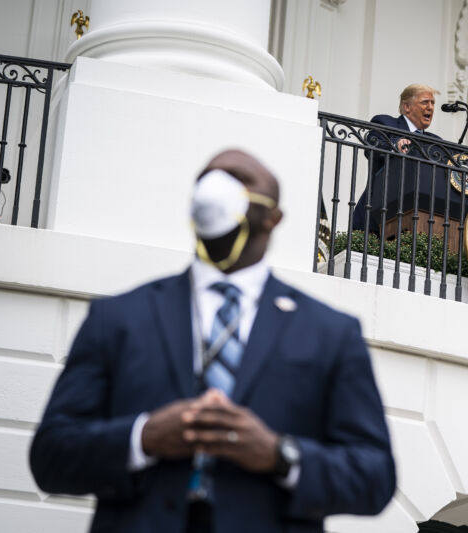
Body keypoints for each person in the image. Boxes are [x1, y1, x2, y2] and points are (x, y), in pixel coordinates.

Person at [29, 149, 396, 533]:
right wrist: (143, 437)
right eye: (209, 177)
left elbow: (375, 476)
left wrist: (279, 454)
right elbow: (50, 457)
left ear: (274, 218)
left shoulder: (331, 333)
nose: (218, 183)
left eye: (240, 180)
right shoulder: (117, 318)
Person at [352, 84, 443, 233]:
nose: (431, 107)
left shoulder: (436, 142)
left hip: (418, 221)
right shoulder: (385, 123)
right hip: (376, 215)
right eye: (425, 102)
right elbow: (372, 147)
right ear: (407, 106)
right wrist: (394, 147)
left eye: (433, 103)